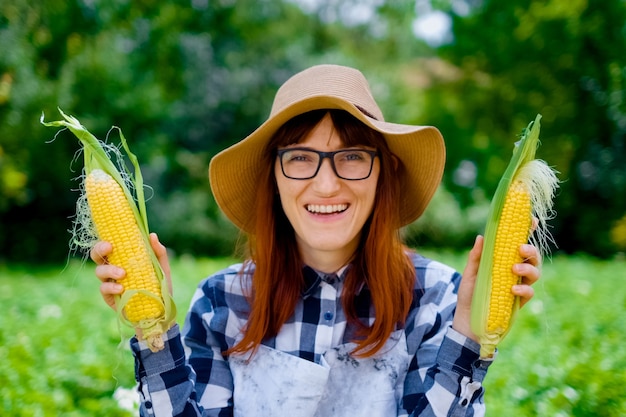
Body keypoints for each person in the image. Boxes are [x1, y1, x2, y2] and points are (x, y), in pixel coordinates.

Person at [92, 64, 541, 417]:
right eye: (301, 157)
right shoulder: (221, 303)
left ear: (383, 174)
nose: (326, 186)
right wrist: (154, 335)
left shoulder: (438, 300)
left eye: (351, 156)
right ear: (273, 178)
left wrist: (469, 337)